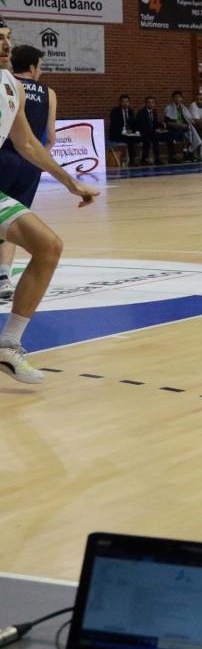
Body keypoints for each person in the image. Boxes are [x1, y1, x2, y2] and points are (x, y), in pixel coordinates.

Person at [0, 19, 99, 381]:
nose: (6, 45)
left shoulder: (13, 87)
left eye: (8, 39)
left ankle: (8, 346)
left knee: (49, 247)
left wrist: (71, 182)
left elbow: (28, 143)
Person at [0, 44, 55, 301]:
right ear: (33, 67)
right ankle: (3, 277)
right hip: (29, 164)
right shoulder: (48, 93)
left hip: (5, 156)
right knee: (13, 220)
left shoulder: (7, 84)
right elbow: (50, 137)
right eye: (40, 67)